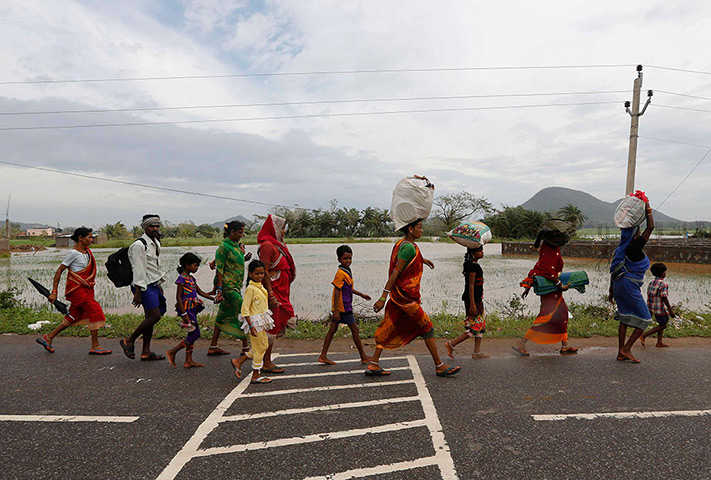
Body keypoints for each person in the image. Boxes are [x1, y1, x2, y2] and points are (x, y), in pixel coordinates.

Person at [368, 219, 461, 377]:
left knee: (389, 326)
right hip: (406, 299)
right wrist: (383, 297)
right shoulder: (409, 248)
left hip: (399, 297)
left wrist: (422, 260)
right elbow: (395, 273)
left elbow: (405, 262)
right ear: (410, 229)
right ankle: (439, 366)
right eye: (419, 227)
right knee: (427, 327)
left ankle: (373, 364)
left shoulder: (401, 244)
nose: (422, 230)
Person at [36, 227, 111, 354]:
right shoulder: (73, 253)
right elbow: (59, 271)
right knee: (95, 312)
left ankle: (48, 337)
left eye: (92, 237)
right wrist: (54, 291)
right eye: (89, 237)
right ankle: (95, 346)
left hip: (87, 290)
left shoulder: (87, 252)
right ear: (80, 238)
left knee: (73, 316)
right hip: (78, 291)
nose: (92, 240)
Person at [512, 230, 578, 356]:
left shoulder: (547, 247)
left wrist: (528, 287)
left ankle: (565, 345)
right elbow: (548, 270)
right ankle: (522, 342)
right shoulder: (551, 250)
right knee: (545, 317)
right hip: (551, 290)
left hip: (552, 290)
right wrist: (561, 285)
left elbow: (539, 268)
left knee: (562, 315)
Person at [609, 203, 655, 363]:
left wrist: (611, 291)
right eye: (639, 232)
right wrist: (648, 207)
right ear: (635, 235)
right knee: (645, 319)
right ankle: (627, 348)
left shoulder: (621, 248)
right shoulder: (634, 248)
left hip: (618, 285)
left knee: (624, 318)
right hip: (629, 286)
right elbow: (651, 227)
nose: (641, 233)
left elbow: (614, 269)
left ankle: (621, 351)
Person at [120, 214, 167, 361]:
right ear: (144, 227)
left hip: (153, 283)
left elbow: (154, 266)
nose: (154, 229)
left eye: (157, 226)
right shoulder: (139, 245)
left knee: (151, 317)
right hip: (143, 286)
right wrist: (138, 292)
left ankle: (146, 351)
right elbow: (138, 269)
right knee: (155, 316)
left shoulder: (155, 242)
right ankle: (129, 340)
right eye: (151, 226)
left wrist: (159, 284)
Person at [318, 245, 372, 365]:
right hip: (343, 308)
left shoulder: (346, 272)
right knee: (355, 330)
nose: (348, 261)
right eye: (345, 258)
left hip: (344, 306)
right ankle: (363, 356)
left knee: (332, 331)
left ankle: (323, 355)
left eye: (350, 258)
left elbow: (349, 289)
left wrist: (362, 295)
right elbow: (337, 291)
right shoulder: (340, 273)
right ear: (339, 260)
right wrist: (336, 311)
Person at [257, 214, 297, 374]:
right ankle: (264, 361)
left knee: (277, 323)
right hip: (274, 292)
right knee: (272, 325)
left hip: (282, 291)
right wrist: (271, 294)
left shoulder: (278, 245)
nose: (284, 231)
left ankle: (265, 359)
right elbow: (264, 271)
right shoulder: (267, 245)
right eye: (281, 228)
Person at [209, 221, 252, 357]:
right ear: (232, 232)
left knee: (222, 315)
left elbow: (233, 263)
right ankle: (245, 347)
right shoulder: (223, 248)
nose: (242, 234)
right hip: (227, 287)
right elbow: (220, 269)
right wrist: (219, 290)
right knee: (242, 310)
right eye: (240, 232)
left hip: (236, 286)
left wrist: (244, 258)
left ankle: (213, 346)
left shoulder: (236, 247)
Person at [166, 253, 215, 368]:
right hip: (187, 310)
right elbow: (178, 297)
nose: (196, 268)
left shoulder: (191, 278)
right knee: (195, 334)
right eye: (195, 265)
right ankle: (172, 351)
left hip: (193, 309)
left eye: (197, 266)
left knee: (191, 333)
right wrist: (183, 313)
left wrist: (214, 299)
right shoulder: (182, 279)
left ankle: (188, 360)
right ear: (187, 265)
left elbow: (200, 292)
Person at [231, 260, 275, 384]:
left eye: (262, 273)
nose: (260, 276)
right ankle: (255, 374)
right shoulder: (250, 289)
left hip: (260, 321)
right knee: (260, 347)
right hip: (254, 323)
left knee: (262, 345)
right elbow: (245, 310)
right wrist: (250, 325)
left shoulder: (260, 287)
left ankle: (238, 361)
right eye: (257, 274)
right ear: (250, 274)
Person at [445, 246, 489, 359]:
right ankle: (452, 344)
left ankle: (477, 352)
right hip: (473, 300)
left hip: (477, 299)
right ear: (473, 253)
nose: (482, 252)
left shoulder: (472, 264)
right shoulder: (473, 266)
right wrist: (473, 304)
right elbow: (471, 285)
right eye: (479, 251)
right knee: (476, 326)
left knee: (481, 325)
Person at [641, 262, 675, 348]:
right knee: (663, 325)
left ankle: (659, 342)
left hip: (651, 306)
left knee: (661, 323)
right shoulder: (663, 284)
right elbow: (664, 297)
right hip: (659, 308)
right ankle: (644, 335)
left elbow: (649, 295)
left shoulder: (651, 283)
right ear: (663, 273)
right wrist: (670, 310)